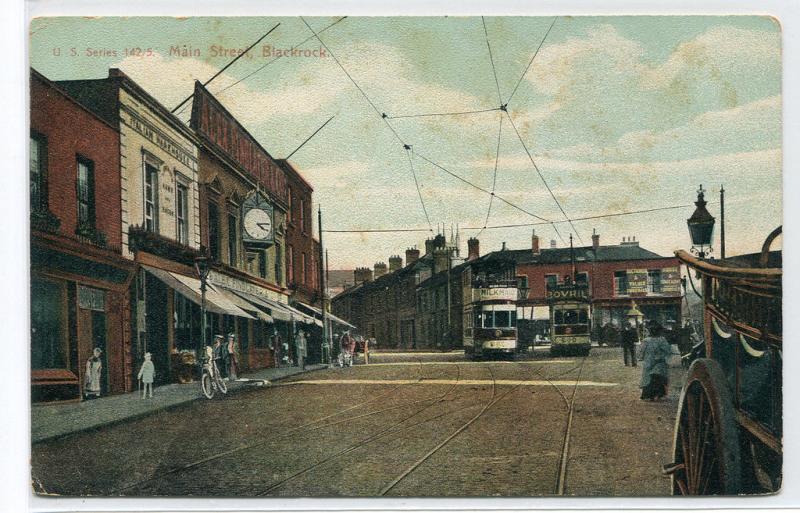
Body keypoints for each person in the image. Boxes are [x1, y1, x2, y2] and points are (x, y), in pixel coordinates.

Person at [639, 321, 673, 401]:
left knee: (650, 378)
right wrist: (661, 356)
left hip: (649, 362)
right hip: (658, 362)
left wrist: (641, 357)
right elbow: (668, 351)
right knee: (656, 378)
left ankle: (650, 395)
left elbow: (641, 352)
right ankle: (657, 394)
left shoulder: (646, 340)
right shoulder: (662, 340)